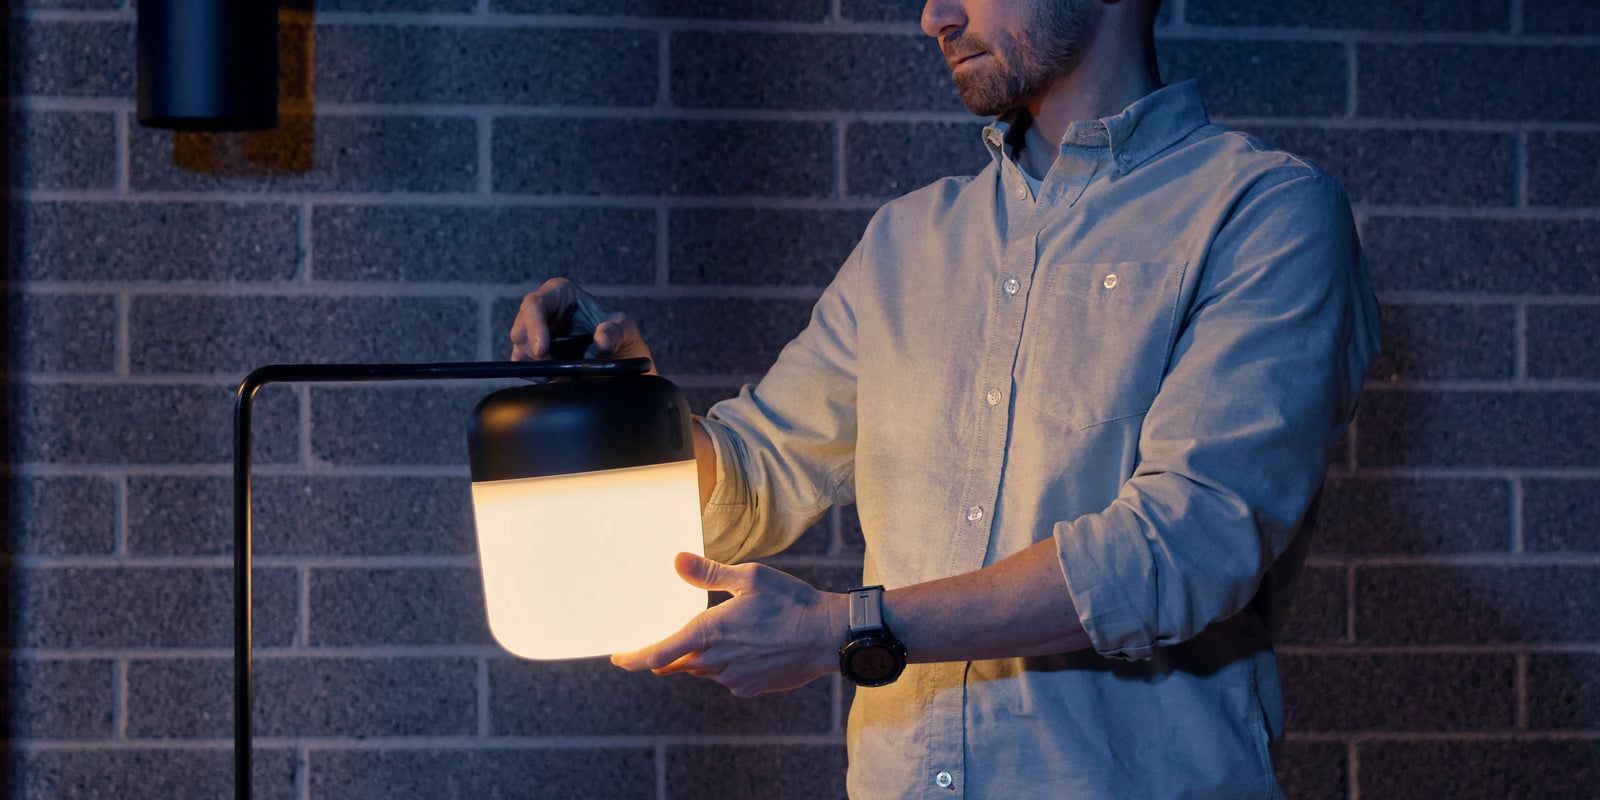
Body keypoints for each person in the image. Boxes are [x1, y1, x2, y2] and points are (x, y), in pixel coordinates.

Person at [509, 0, 1381, 795]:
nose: (934, 15)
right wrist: (627, 400)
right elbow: (751, 487)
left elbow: (1186, 545)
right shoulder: (907, 241)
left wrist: (846, 631)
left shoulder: (1264, 214)